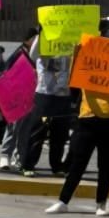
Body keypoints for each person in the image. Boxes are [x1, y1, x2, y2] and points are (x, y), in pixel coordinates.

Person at [47, 62, 109, 216]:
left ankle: (101, 204)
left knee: (105, 166)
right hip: (88, 118)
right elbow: (74, 78)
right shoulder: (89, 65)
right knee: (78, 164)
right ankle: (63, 201)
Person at [17, 35, 74, 178]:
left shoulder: (73, 36)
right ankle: (28, 164)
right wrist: (42, 34)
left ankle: (56, 165)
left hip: (64, 92)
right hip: (45, 92)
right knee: (38, 130)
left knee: (60, 133)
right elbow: (33, 55)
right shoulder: (44, 36)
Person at [0, 28, 41, 171]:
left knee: (25, 129)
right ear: (27, 40)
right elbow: (7, 73)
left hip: (30, 96)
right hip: (17, 96)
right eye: (34, 39)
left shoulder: (36, 55)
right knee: (13, 127)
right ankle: (5, 156)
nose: (36, 42)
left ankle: (20, 157)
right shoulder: (19, 54)